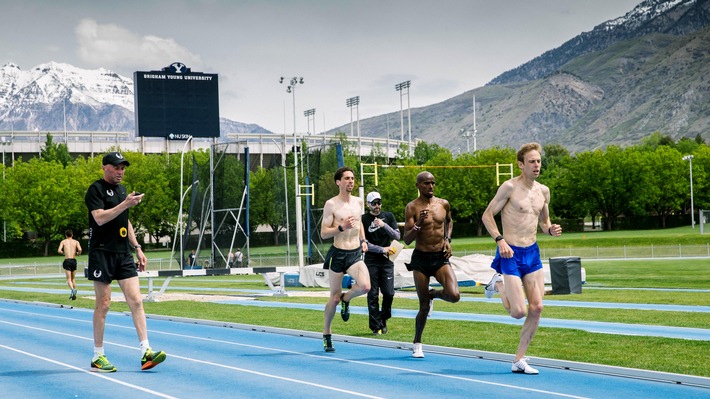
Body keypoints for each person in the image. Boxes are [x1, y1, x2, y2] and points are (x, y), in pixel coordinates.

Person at [481, 142, 562, 375]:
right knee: (518, 312)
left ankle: (519, 360)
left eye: (538, 161)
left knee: (536, 307)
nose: (536, 165)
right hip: (510, 253)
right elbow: (487, 215)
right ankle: (498, 284)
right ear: (520, 164)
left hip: (532, 252)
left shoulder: (543, 191)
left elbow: (544, 222)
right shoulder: (509, 188)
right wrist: (499, 240)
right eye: (531, 162)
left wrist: (550, 229)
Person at [85, 151, 166, 373]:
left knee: (137, 301)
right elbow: (99, 218)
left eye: (123, 168)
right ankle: (98, 356)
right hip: (102, 253)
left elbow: (125, 221)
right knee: (104, 304)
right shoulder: (96, 189)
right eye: (116, 167)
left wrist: (137, 247)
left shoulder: (122, 191)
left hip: (123, 253)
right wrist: (125, 204)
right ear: (105, 167)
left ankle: (146, 352)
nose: (121, 171)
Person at [403, 171, 459, 358]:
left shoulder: (443, 204)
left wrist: (448, 239)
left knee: (454, 295)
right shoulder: (411, 207)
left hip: (439, 257)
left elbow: (449, 222)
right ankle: (417, 342)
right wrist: (418, 223)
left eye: (433, 183)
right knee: (423, 306)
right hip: (420, 259)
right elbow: (407, 239)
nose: (431, 186)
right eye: (426, 183)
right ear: (418, 185)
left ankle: (434, 294)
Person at [320, 166, 371, 352]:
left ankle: (347, 299)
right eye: (347, 178)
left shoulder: (358, 202)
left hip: (355, 252)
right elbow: (324, 233)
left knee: (365, 286)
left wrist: (363, 240)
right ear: (338, 182)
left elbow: (359, 224)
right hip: (338, 254)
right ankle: (327, 333)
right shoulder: (331, 204)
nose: (351, 181)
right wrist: (341, 227)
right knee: (333, 299)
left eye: (352, 178)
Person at [362, 191, 400, 335]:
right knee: (372, 294)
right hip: (371, 260)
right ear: (368, 204)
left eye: (379, 202)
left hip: (387, 260)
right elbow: (363, 243)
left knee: (389, 293)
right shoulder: (363, 220)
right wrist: (381, 249)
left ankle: (384, 318)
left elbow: (397, 235)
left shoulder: (388, 216)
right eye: (374, 203)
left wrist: (384, 225)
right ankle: (375, 326)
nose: (377, 206)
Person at [58, 229, 82, 300]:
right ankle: (73, 294)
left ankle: (72, 290)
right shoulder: (76, 242)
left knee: (68, 279)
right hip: (73, 260)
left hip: (67, 260)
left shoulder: (63, 242)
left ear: (66, 235)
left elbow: (59, 250)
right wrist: (78, 254)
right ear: (72, 235)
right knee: (73, 278)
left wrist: (64, 253)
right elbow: (80, 249)